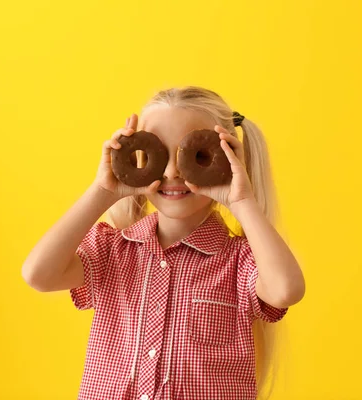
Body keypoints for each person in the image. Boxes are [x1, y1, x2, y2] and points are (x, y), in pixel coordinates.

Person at [21, 86, 305, 400]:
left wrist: (241, 201)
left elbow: (285, 290)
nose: (171, 171)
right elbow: (38, 275)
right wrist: (102, 192)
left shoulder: (239, 262)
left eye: (195, 156)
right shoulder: (111, 250)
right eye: (158, 155)